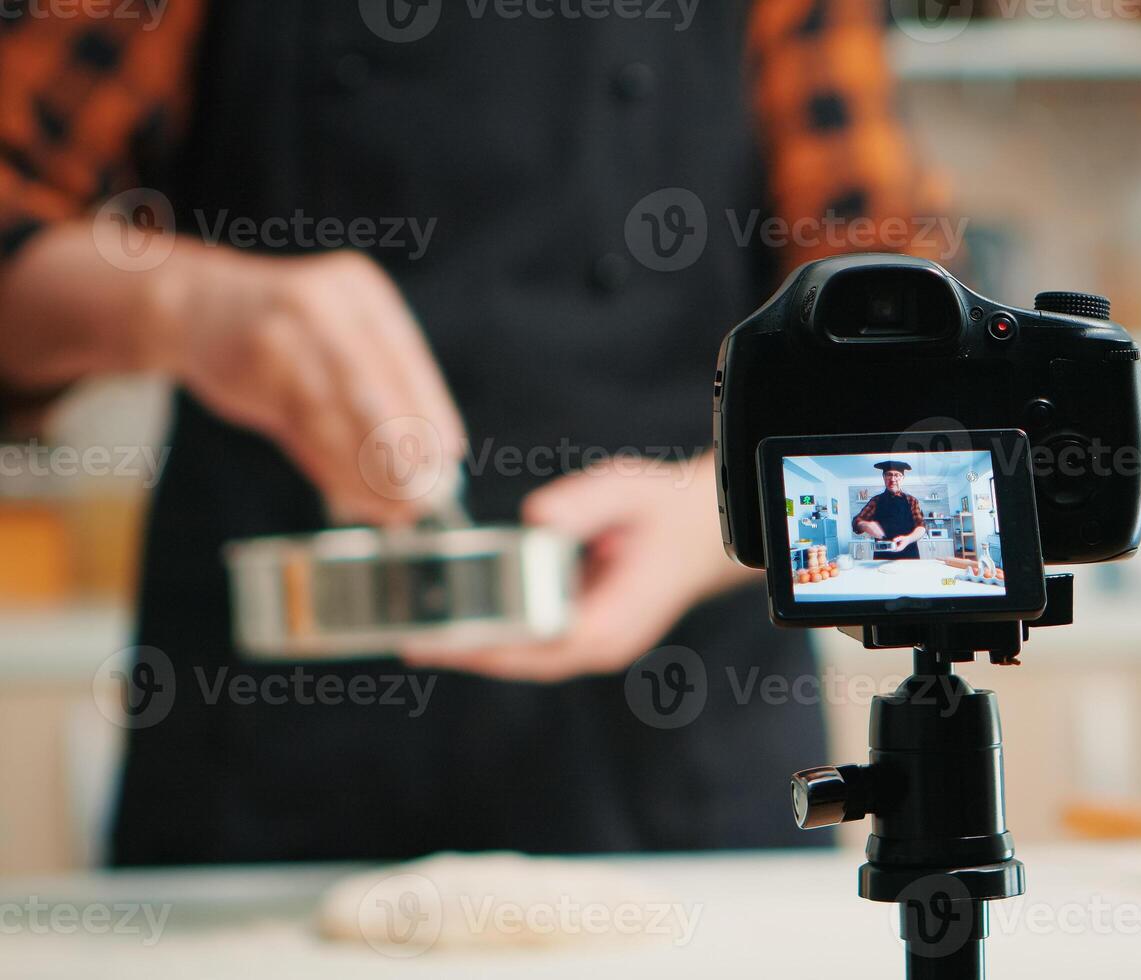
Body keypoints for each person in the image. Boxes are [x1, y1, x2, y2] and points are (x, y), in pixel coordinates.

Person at [0, 0, 944, 865]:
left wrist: (718, 519)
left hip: (679, 757)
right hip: (258, 758)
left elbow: (904, 363)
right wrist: (182, 306)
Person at [851, 460, 925, 559]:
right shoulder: (876, 500)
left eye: (897, 475)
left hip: (909, 555)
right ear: (884, 477)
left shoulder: (911, 500)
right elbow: (856, 522)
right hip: (882, 557)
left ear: (902, 478)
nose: (892, 479)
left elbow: (921, 527)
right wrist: (865, 525)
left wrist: (908, 539)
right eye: (888, 474)